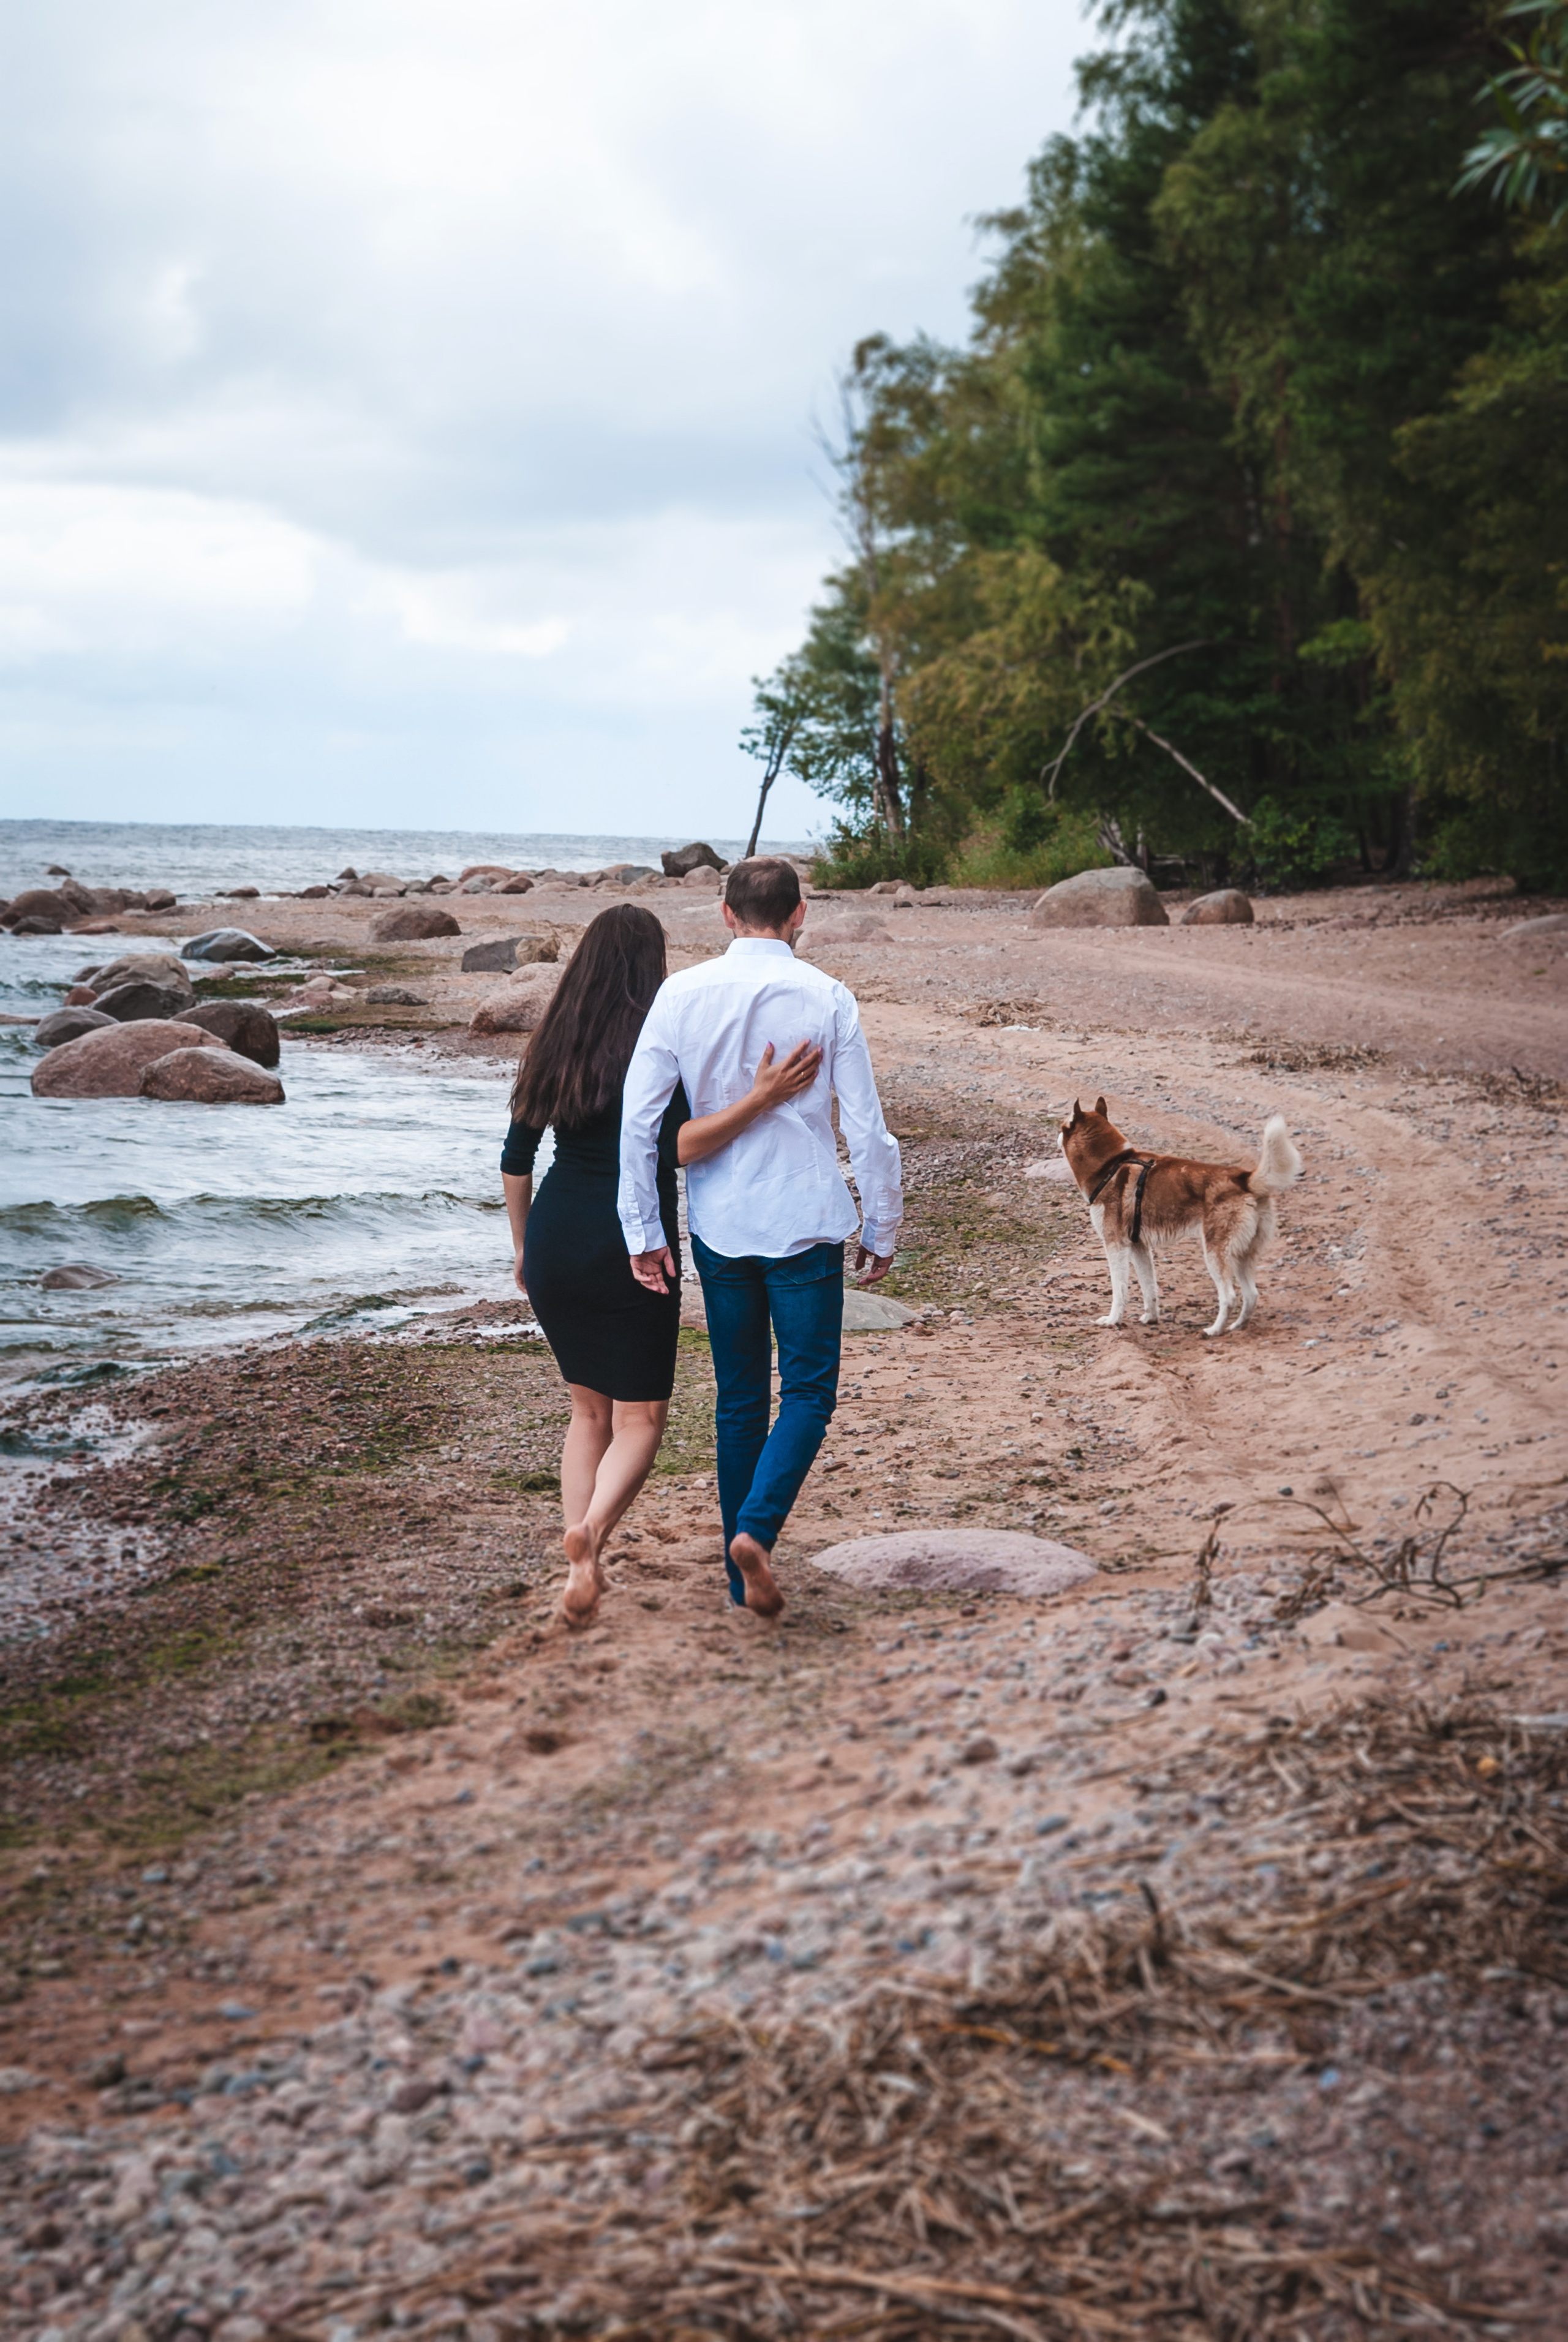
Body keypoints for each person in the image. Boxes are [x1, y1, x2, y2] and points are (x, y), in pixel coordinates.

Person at [502, 902, 818, 1626]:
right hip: (629, 1238)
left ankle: (581, 1556)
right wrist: (760, 1099)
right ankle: (588, 1541)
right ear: (652, 965)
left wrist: (522, 1247)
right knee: (640, 1418)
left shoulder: (552, 1043)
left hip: (554, 1234)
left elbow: (515, 1162)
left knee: (586, 1410)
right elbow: (677, 1146)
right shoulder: (661, 1038)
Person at [617, 857, 903, 1618]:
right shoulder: (827, 996)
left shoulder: (680, 994)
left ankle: (739, 1571)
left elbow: (641, 1124)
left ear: (724, 914)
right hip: (806, 1220)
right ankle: (756, 1532)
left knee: (740, 1398)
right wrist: (882, 1221)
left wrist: (642, 1229)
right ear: (799, 912)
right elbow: (867, 1127)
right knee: (808, 1391)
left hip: (720, 1224)